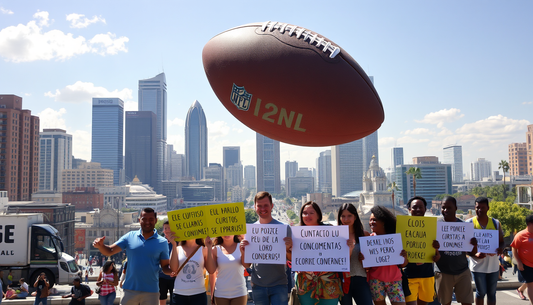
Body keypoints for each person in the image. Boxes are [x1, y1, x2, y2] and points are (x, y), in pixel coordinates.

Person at [93, 207, 172, 305]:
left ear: (155, 220)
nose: (147, 222)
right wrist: (101, 246)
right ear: (139, 220)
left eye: (151, 219)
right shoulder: (129, 236)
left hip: (151, 291)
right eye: (144, 219)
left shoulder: (162, 242)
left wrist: (173, 271)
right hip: (129, 290)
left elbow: (165, 266)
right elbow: (110, 251)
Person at [240, 191, 292, 305]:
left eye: (266, 205)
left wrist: (288, 249)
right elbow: (246, 265)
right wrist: (243, 251)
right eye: (259, 205)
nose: (262, 208)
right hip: (258, 285)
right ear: (254, 207)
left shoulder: (284, 228)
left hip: (279, 284)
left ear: (272, 206)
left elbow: (291, 259)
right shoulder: (250, 230)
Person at [293, 201, 343, 305]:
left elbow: (340, 254)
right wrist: (288, 247)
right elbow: (290, 258)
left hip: (329, 283)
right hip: (305, 284)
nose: (308, 215)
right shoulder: (295, 234)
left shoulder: (331, 230)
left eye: (311, 213)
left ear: (318, 215)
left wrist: (348, 246)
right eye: (305, 213)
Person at [435, 196, 477, 305]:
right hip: (443, 272)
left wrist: (474, 245)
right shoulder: (436, 226)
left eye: (449, 207)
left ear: (456, 208)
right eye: (443, 208)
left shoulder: (465, 227)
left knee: (467, 302)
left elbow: (472, 253)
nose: (446, 210)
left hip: (462, 271)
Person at [367, 205, 408, 305]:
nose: (371, 222)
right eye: (370, 220)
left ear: (383, 221)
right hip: (375, 281)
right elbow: (367, 266)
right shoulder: (368, 240)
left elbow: (403, 265)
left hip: (394, 280)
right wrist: (362, 259)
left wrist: (404, 257)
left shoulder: (395, 239)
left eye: (375, 220)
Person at [466, 197, 504, 305]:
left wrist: (501, 249)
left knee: (492, 293)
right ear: (474, 208)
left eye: (483, 207)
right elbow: (464, 248)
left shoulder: (495, 223)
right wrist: (474, 254)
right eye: (478, 207)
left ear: (488, 208)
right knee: (481, 292)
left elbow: (501, 242)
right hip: (477, 266)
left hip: (493, 265)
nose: (480, 210)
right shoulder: (469, 223)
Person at [404, 197, 440, 305]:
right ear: (409, 209)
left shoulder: (433, 227)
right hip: (409, 275)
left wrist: (437, 250)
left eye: (421, 207)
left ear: (425, 209)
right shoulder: (403, 227)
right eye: (414, 207)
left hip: (427, 274)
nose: (418, 209)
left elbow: (437, 257)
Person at [337, 202, 373, 305]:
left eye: (349, 216)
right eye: (343, 216)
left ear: (355, 217)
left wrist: (365, 259)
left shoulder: (364, 235)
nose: (346, 219)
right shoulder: (335, 236)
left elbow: (370, 264)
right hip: (342, 280)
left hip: (361, 278)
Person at [168, 237, 216, 305]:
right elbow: (173, 268)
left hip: (198, 293)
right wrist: (174, 244)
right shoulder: (177, 249)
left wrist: (209, 248)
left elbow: (211, 270)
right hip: (179, 293)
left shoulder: (203, 249)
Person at [208, 235, 248, 305]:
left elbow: (247, 265)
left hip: (239, 293)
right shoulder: (215, 249)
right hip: (221, 294)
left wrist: (243, 252)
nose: (227, 233)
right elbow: (211, 271)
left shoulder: (241, 246)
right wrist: (208, 249)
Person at [511, 214, 533, 303]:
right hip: (526, 264)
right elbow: (514, 248)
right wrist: (519, 262)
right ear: (529, 224)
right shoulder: (520, 235)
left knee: (530, 282)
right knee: (530, 285)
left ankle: (520, 289)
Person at [160, 221, 176, 305]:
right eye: (165, 228)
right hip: (161, 277)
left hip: (174, 277)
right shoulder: (160, 242)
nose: (166, 230)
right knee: (162, 297)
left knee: (175, 299)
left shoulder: (177, 242)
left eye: (168, 228)